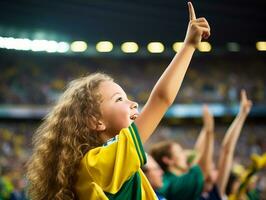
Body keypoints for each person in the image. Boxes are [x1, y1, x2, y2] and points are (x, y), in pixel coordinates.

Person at [26, 2, 211, 199]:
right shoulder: (99, 164)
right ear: (95, 121)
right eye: (119, 99)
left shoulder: (99, 166)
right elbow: (161, 99)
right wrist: (189, 45)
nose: (134, 103)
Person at [199, 90, 252, 200]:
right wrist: (208, 131)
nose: (216, 171)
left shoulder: (214, 194)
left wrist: (241, 115)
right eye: (212, 168)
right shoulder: (191, 194)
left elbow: (227, 151)